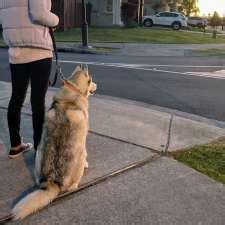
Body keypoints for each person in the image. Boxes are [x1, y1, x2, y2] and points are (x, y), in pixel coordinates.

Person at [0, 0, 59, 158]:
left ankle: (15, 145)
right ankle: (39, 147)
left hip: (16, 53)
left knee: (16, 98)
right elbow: (39, 14)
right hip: (38, 50)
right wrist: (56, 20)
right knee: (37, 101)